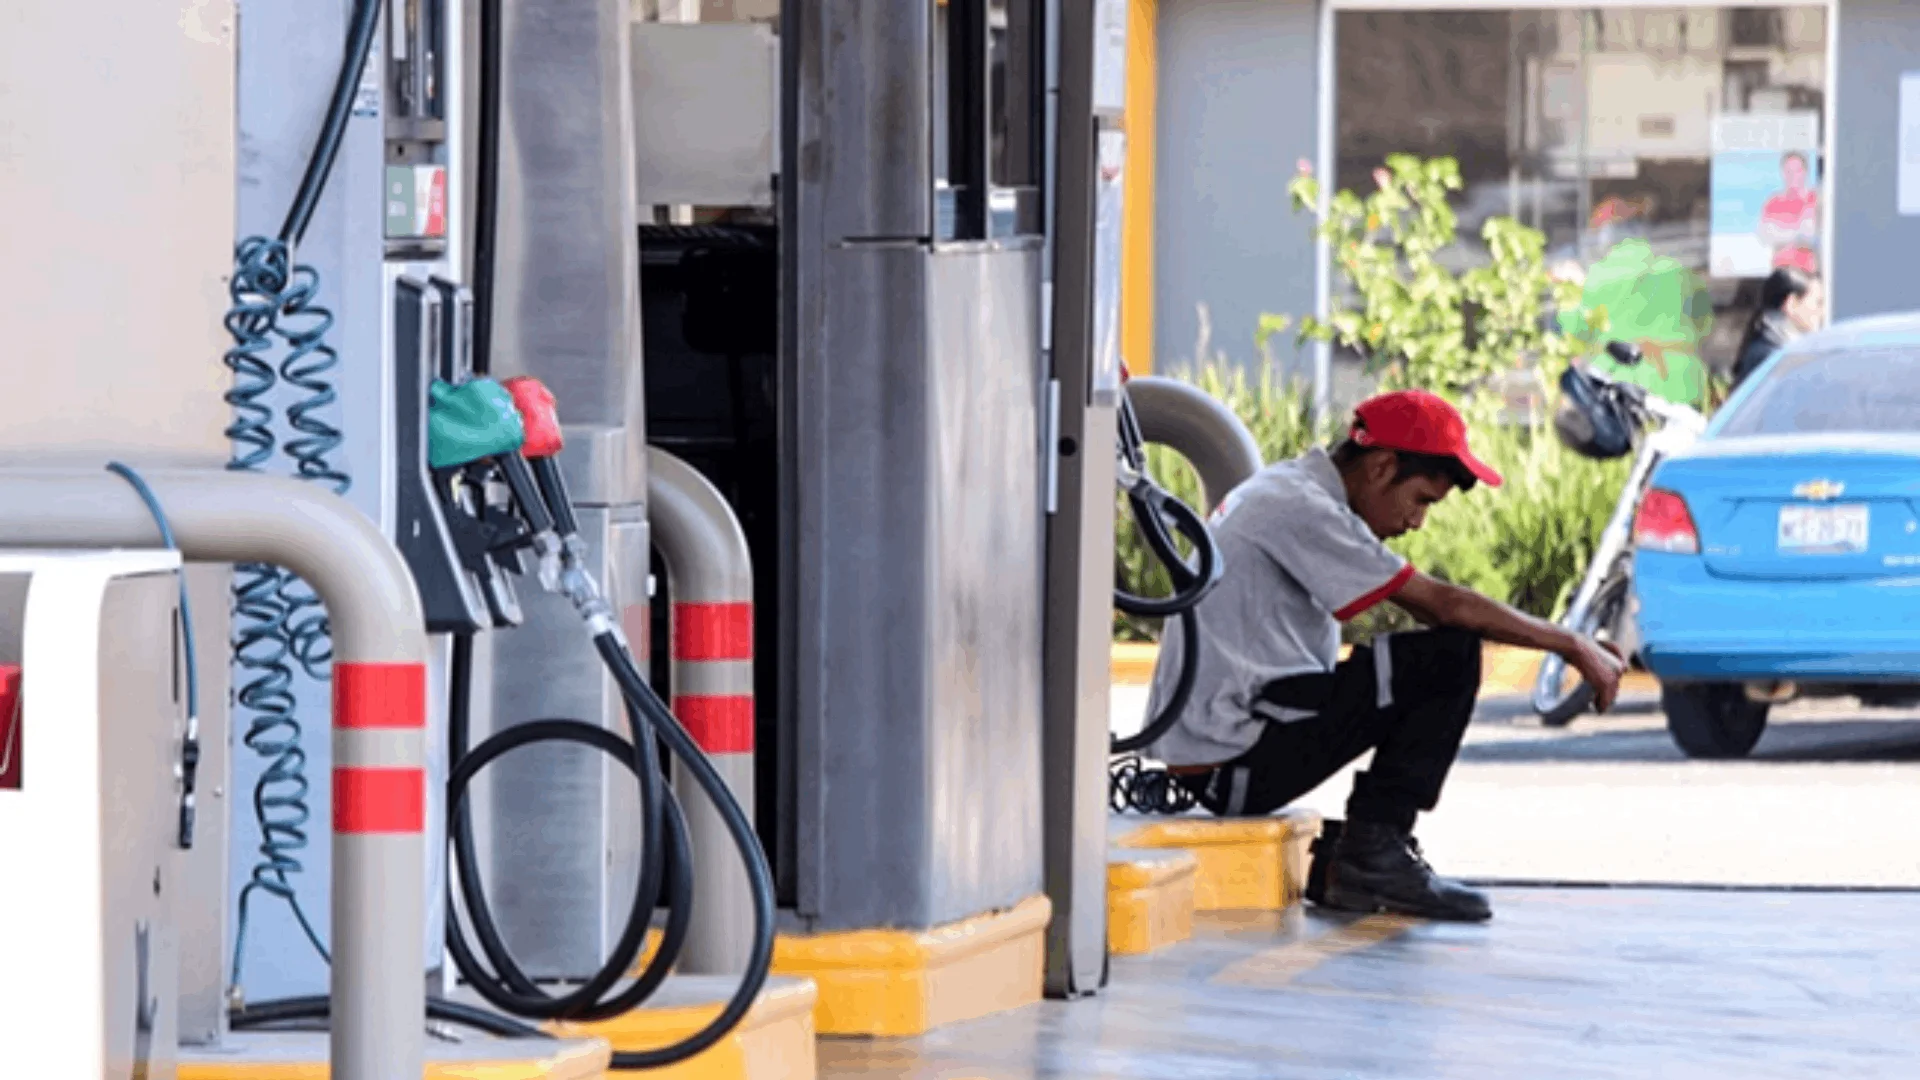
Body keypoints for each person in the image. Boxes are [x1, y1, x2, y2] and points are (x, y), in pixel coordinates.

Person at [1143, 390, 1624, 923]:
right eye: (1420, 500)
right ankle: (1374, 851)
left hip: (1227, 748)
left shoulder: (1290, 488)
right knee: (1447, 657)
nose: (1417, 522)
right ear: (1381, 467)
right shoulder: (1302, 507)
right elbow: (1446, 606)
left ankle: (1357, 857)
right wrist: (1570, 643)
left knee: (1423, 657)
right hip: (1232, 762)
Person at [1730, 267, 1824, 391]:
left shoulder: (1772, 349)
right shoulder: (1773, 356)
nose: (1822, 312)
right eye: (1818, 303)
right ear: (1791, 304)